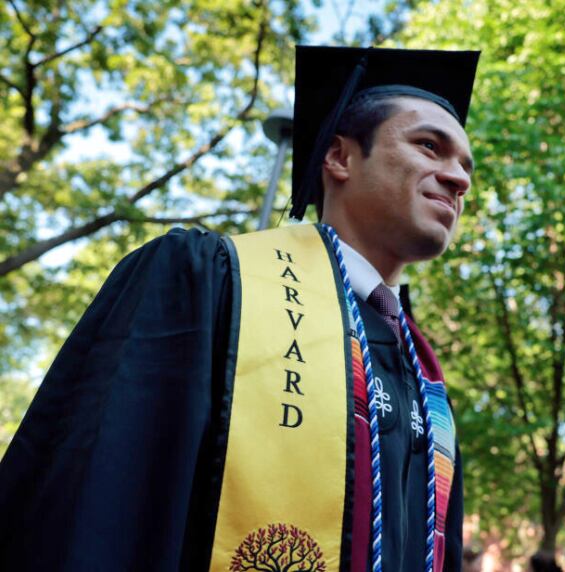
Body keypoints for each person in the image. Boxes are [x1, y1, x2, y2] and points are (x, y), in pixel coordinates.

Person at [0, 45, 479, 572]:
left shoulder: (425, 376)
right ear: (340, 158)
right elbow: (96, 509)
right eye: (429, 146)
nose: (459, 180)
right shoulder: (211, 282)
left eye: (465, 166)